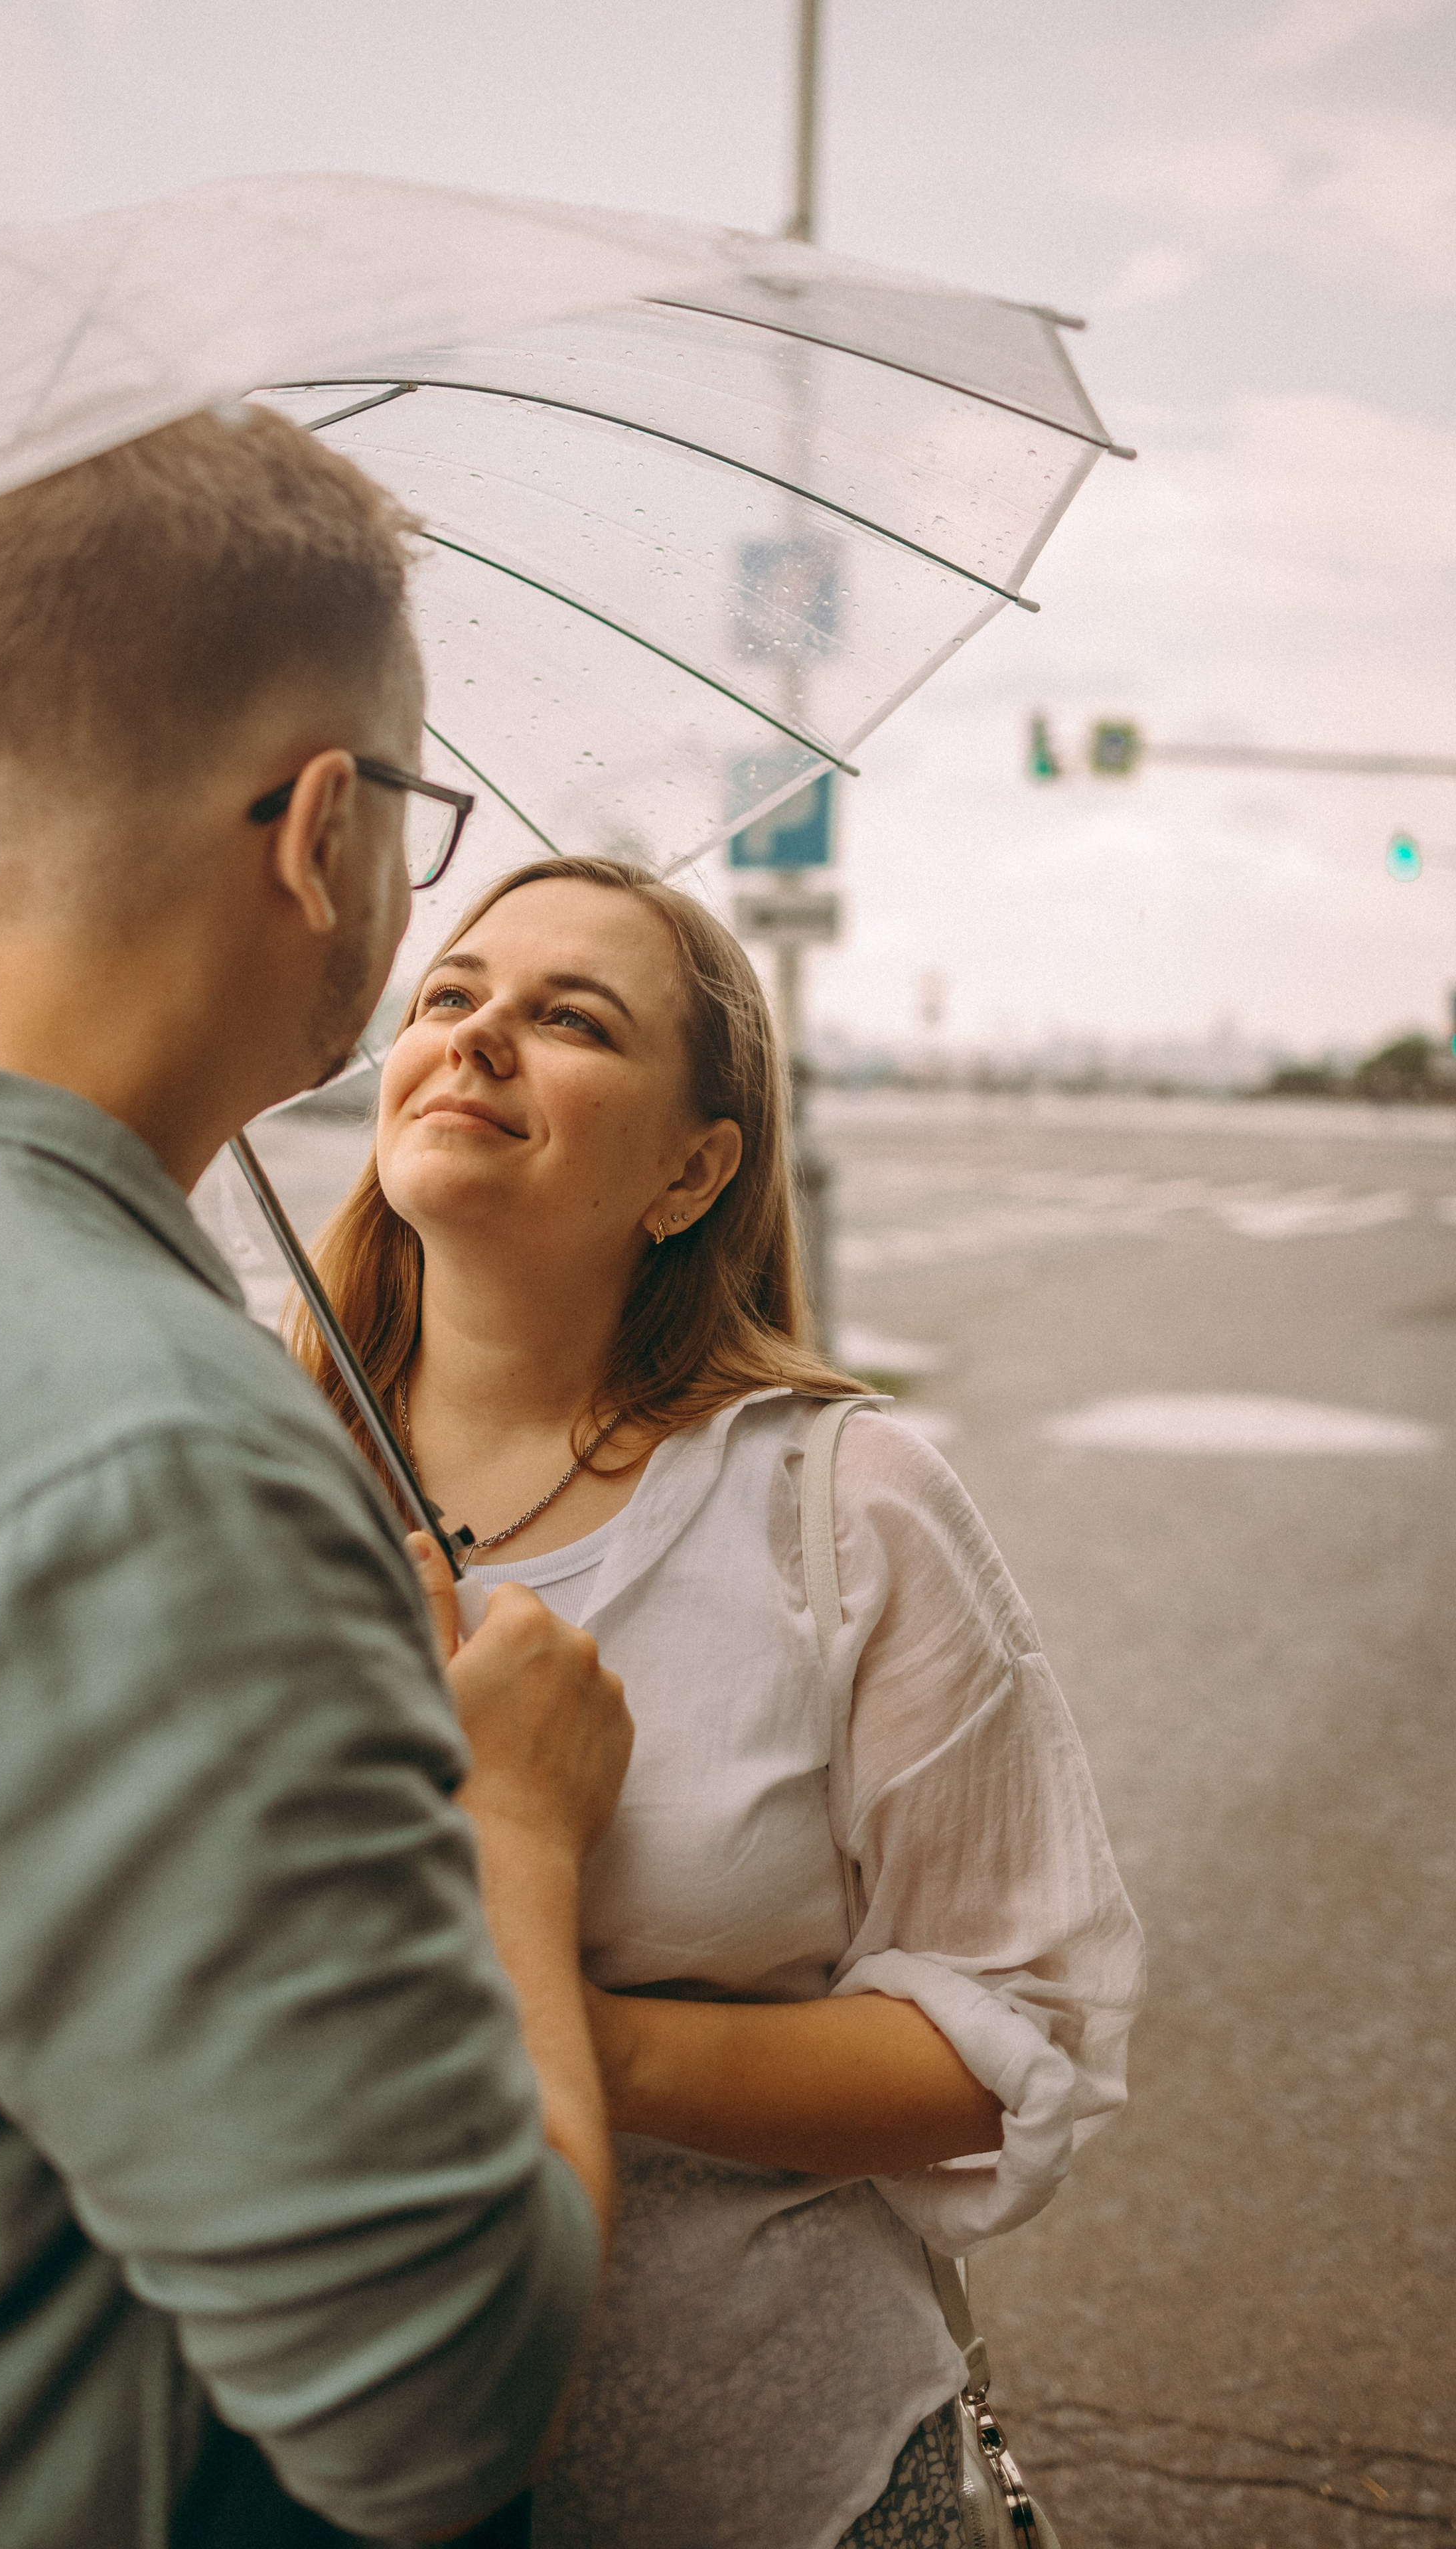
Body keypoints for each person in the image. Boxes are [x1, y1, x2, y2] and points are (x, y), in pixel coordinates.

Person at [0, 413, 634, 2549]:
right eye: (422, 811)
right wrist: (511, 1821)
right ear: (326, 830)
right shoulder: (151, 1463)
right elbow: (437, 2411)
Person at [293, 854, 1147, 2549]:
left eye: (568, 1019)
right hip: (318, 2447)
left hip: (773, 2475)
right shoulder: (237, 1469)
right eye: (447, 998)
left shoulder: (846, 1507)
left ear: (691, 1173)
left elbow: (1005, 2036)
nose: (474, 1040)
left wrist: (578, 2038)